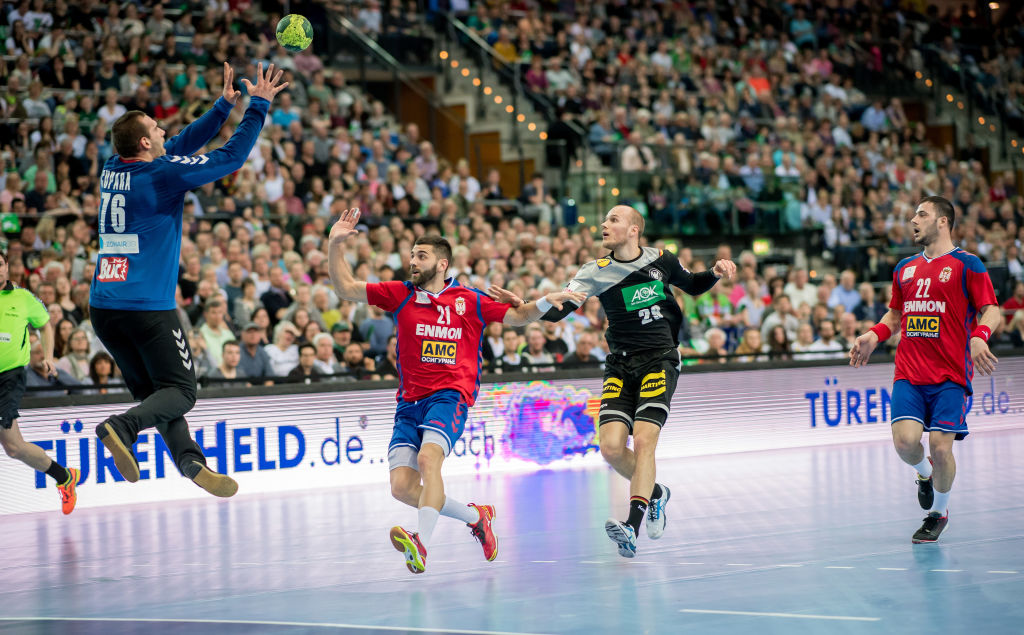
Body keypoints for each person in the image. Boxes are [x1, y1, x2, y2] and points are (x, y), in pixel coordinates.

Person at [328, 207, 584, 574]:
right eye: (412, 254)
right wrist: (335, 244)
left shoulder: (469, 300)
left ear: (442, 263)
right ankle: (475, 517)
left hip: (450, 395)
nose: (413, 261)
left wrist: (544, 300)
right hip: (408, 402)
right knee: (401, 487)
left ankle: (422, 543)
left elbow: (520, 315)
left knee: (429, 462)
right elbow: (345, 288)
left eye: (421, 256)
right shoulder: (400, 294)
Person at [86, 63, 288, 498]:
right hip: (147, 309)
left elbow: (177, 146)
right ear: (143, 142)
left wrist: (221, 108)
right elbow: (230, 157)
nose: (164, 132)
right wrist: (258, 107)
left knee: (160, 396)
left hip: (105, 308)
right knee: (181, 390)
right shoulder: (160, 175)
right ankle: (121, 426)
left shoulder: (113, 168)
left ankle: (190, 462)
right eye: (157, 129)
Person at [495, 205, 736, 558]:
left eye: (613, 220)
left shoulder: (662, 260)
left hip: (660, 358)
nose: (604, 225)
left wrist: (714, 272)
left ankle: (632, 526)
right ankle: (656, 493)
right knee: (609, 448)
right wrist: (532, 305)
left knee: (644, 440)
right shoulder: (594, 271)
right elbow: (562, 308)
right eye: (605, 219)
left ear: (634, 230)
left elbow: (694, 285)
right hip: (620, 365)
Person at [850, 196, 1000, 543]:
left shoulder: (968, 264)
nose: (913, 219)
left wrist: (980, 336)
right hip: (909, 373)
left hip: (950, 376)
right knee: (905, 444)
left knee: (942, 447)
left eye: (922, 214)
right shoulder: (904, 268)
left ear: (943, 221)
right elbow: (895, 316)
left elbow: (991, 310)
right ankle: (923, 474)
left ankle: (938, 512)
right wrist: (874, 334)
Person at [0, 249, 79, 514]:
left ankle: (64, 478)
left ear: (7, 266)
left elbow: (45, 325)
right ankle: (64, 475)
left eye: (0, 265)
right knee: (14, 448)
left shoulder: (22, 297)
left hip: (9, 376)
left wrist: (48, 357)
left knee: (11, 445)